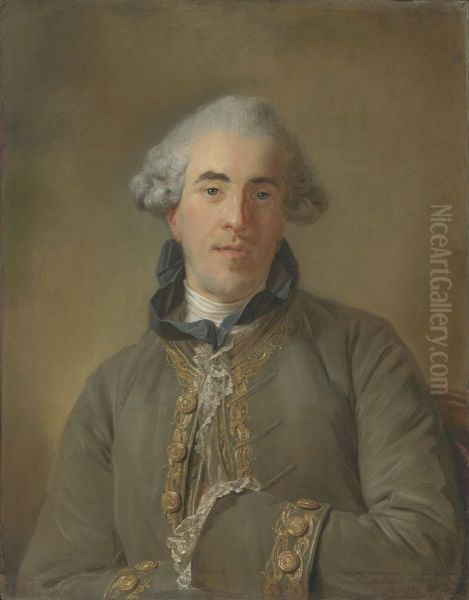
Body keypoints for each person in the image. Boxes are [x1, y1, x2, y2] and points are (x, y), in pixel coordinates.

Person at [17, 96, 464, 600]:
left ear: (283, 218)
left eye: (262, 194)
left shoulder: (364, 349)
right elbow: (50, 583)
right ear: (174, 215)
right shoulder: (112, 390)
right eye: (213, 190)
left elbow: (427, 555)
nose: (237, 217)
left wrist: (236, 537)